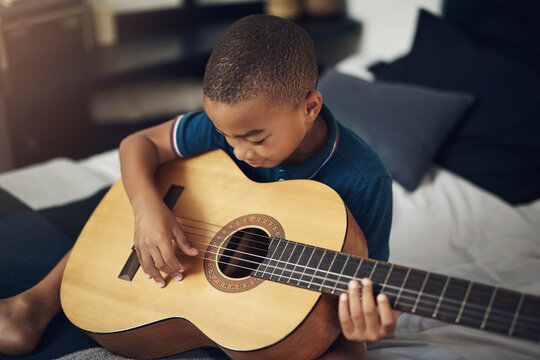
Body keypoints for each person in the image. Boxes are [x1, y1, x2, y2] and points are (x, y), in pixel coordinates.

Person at [0, 14, 398, 359]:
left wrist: (370, 321)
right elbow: (137, 144)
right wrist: (147, 210)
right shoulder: (232, 123)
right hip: (195, 249)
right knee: (138, 205)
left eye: (257, 140)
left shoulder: (365, 181)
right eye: (229, 138)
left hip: (299, 310)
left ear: (310, 108)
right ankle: (33, 305)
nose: (240, 152)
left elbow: (367, 286)